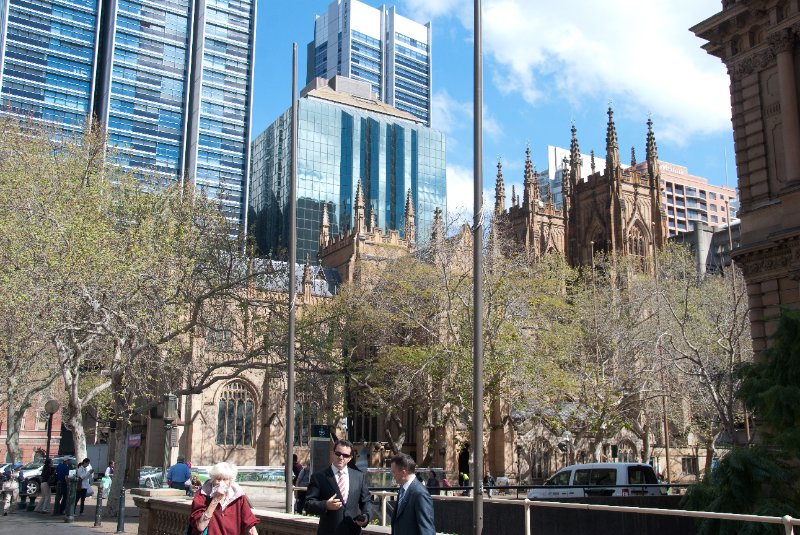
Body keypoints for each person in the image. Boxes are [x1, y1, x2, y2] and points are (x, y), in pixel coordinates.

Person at [305, 439, 372, 535]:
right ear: (332, 453)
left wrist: (366, 516)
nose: (341, 457)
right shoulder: (319, 477)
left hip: (353, 532)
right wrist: (326, 505)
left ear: (350, 458)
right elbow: (308, 504)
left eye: (345, 455)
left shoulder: (359, 477)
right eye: (338, 453)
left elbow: (366, 501)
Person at [189, 462, 258, 535]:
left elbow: (249, 523)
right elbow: (200, 527)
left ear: (230, 481)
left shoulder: (238, 496)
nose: (221, 483)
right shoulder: (202, 495)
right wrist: (215, 500)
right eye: (218, 479)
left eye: (225, 479)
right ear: (212, 480)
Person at [389, 453, 435, 535]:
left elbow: (427, 530)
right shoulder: (402, 489)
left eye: (394, 472)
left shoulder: (420, 493)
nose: (393, 475)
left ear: (403, 472)